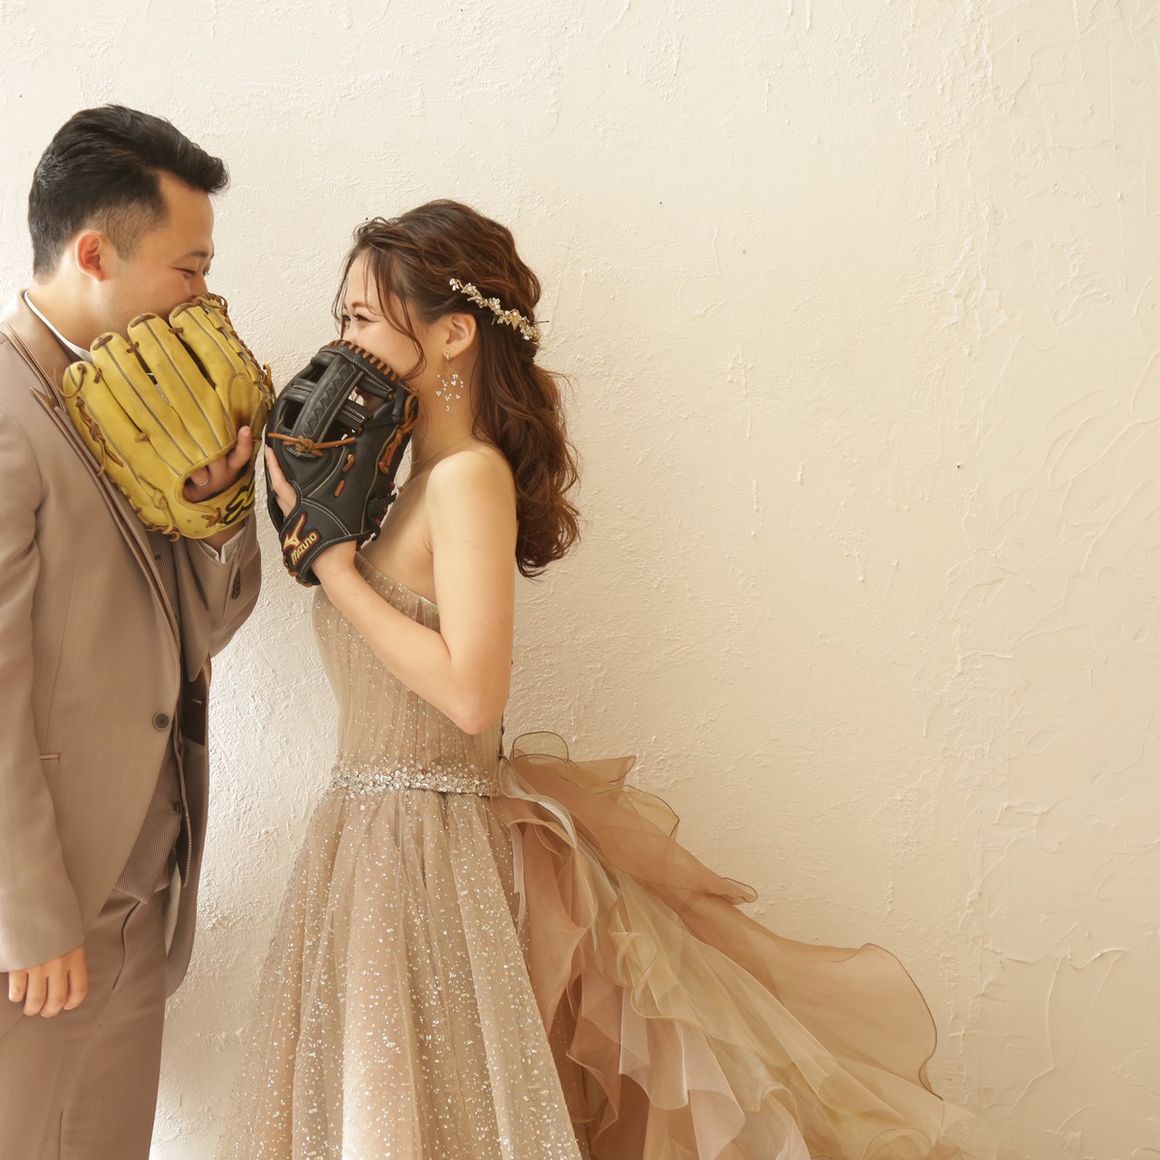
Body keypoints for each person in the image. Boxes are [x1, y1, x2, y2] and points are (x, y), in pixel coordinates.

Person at [218, 199, 992, 1159]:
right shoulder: (414, 482)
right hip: (370, 845)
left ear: (453, 333)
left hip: (427, 850)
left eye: (364, 317)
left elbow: (472, 695)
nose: (343, 343)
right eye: (344, 317)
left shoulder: (467, 479)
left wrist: (335, 569)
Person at [0, 105, 262, 1158]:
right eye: (189, 268)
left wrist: (218, 510)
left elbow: (201, 629)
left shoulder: (148, 395)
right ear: (95, 253)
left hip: (138, 900)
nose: (205, 296)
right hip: (40, 921)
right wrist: (27, 913)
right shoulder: (7, 412)